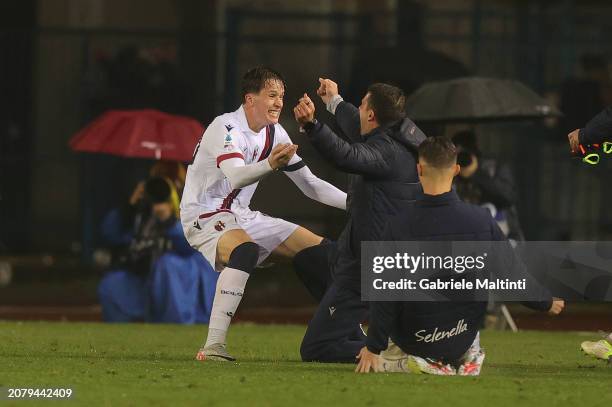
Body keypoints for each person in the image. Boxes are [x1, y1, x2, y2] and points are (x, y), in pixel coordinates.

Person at [354, 136, 565, 375]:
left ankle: (419, 364)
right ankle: (467, 357)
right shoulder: (482, 221)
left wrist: (373, 347)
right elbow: (512, 275)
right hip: (461, 336)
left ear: (419, 169)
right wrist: (545, 302)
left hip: (416, 338)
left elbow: (385, 295)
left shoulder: (397, 226)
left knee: (385, 354)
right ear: (456, 170)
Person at [180, 67, 347, 362]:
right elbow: (235, 176)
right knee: (244, 251)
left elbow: (311, 185)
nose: (279, 102)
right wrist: (270, 164)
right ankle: (213, 347)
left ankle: (346, 332)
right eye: (272, 95)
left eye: (281, 96)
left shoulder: (275, 133)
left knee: (325, 252)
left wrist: (357, 204)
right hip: (204, 214)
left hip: (240, 215)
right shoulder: (225, 127)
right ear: (250, 99)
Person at [293, 78, 425, 362]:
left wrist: (312, 126)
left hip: (369, 268)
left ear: (372, 115)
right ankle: (364, 336)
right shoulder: (392, 138)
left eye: (363, 103)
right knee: (309, 260)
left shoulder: (386, 152)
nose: (360, 108)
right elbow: (356, 126)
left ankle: (388, 352)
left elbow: (347, 155)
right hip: (358, 255)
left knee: (315, 349)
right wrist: (334, 101)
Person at [98, 176, 217, 323]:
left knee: (167, 265)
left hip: (182, 275)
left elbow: (191, 245)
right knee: (112, 284)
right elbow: (110, 234)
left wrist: (169, 221)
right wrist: (130, 207)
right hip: (144, 276)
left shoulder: (195, 204)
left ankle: (176, 327)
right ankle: (121, 334)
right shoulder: (142, 215)